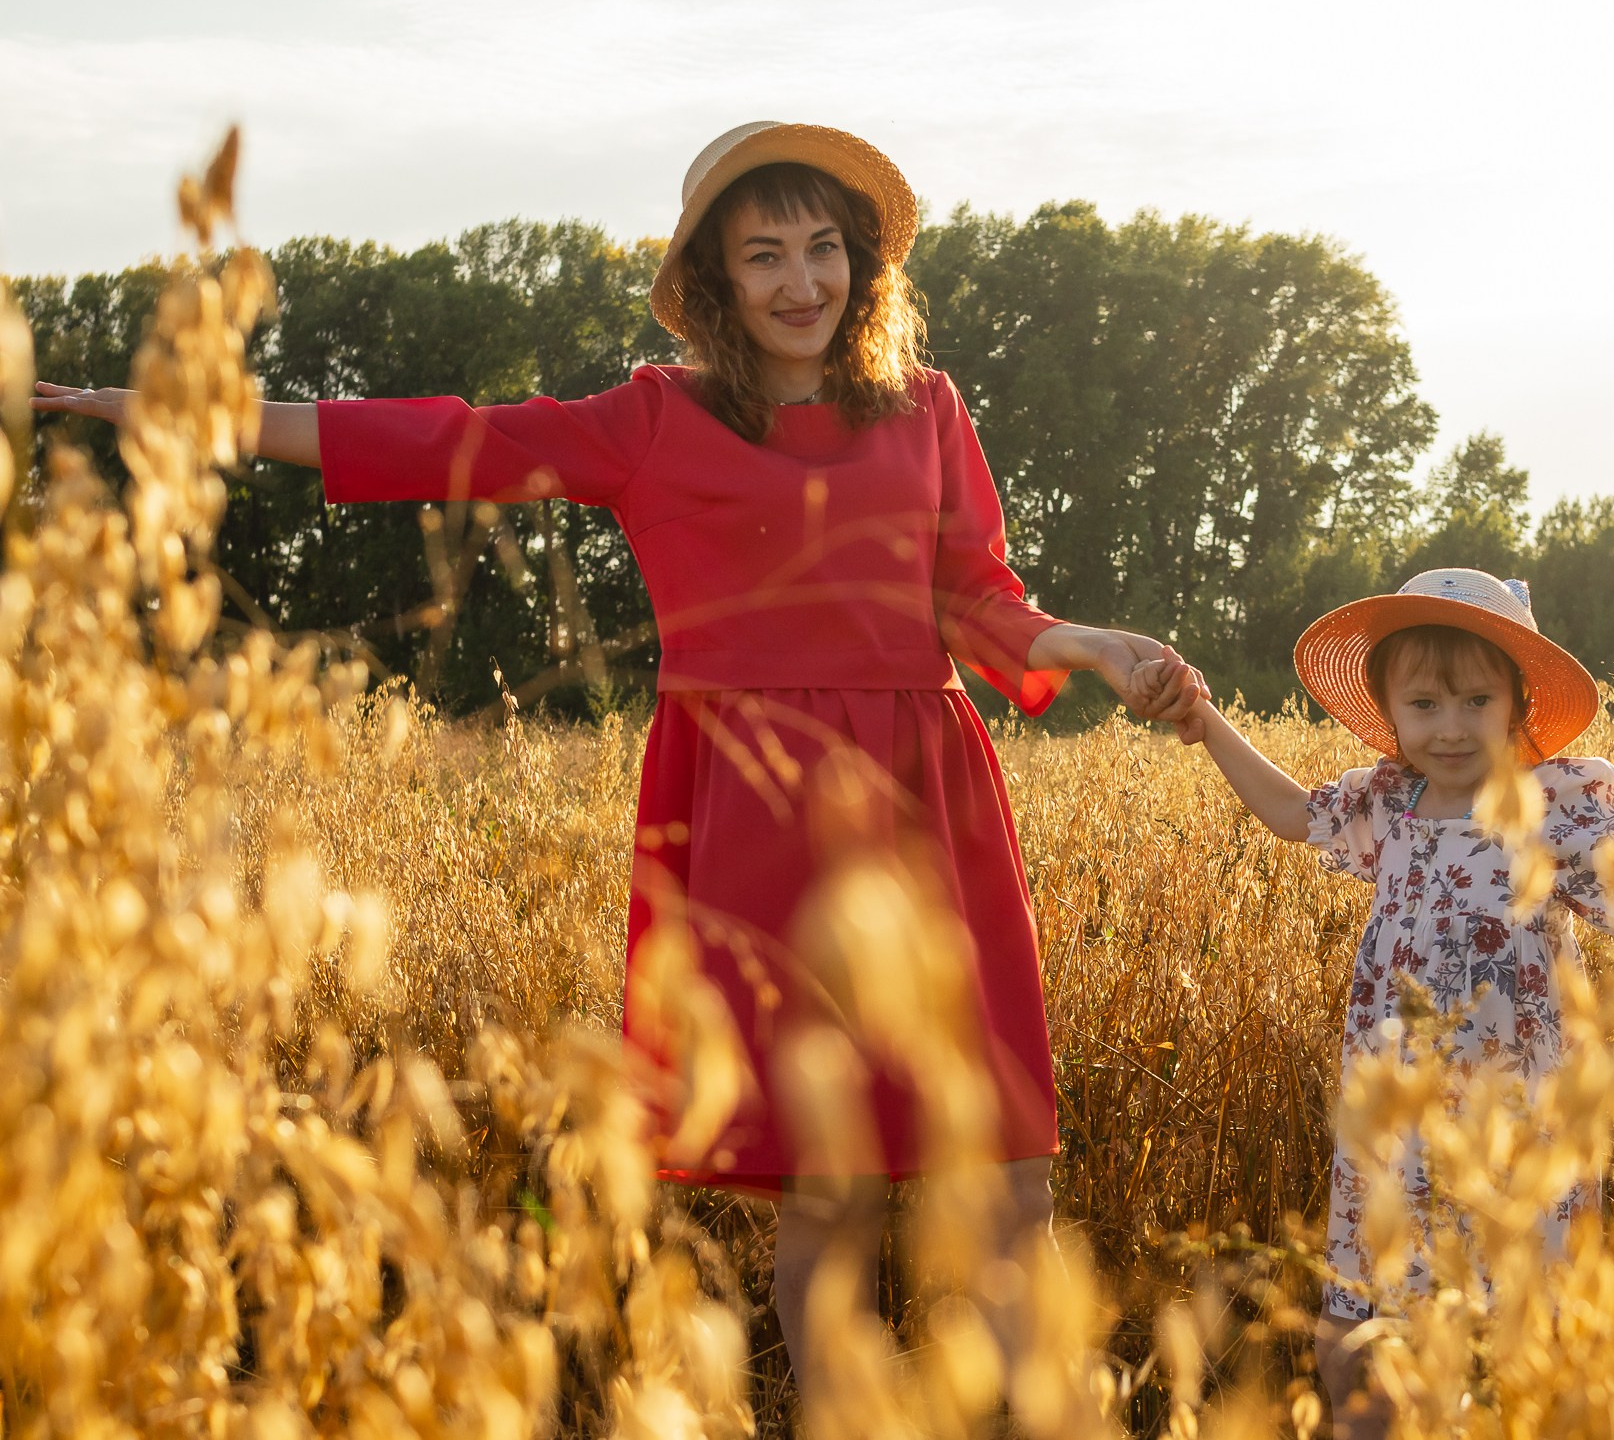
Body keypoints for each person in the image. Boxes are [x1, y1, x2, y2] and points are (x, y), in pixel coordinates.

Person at [33, 120, 1208, 1401]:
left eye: (824, 249)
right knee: (828, 1196)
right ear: (714, 276)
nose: (800, 282)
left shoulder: (925, 408)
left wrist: (1085, 641)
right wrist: (173, 410)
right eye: (764, 255)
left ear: (865, 267)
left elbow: (973, 595)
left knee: (1007, 1178)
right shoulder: (649, 420)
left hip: (929, 803)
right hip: (759, 822)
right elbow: (439, 438)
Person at [1147, 567, 1614, 1439]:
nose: (1451, 725)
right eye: (1424, 702)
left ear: (1516, 705)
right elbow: (1288, 809)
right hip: (1392, 1122)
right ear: (1388, 708)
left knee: (1514, 1330)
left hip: (1516, 1132)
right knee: (1359, 1332)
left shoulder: (1552, 812)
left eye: (1474, 699)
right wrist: (1204, 724)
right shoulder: (1386, 800)